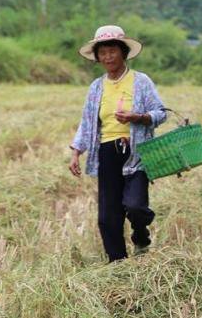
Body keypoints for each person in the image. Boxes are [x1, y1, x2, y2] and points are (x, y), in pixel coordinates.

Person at [69, 25, 167, 262]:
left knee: (135, 207)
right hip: (106, 154)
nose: (108, 57)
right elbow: (87, 122)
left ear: (123, 52)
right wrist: (75, 152)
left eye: (112, 51)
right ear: (97, 57)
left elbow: (160, 113)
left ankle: (141, 236)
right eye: (102, 53)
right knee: (107, 217)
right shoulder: (96, 87)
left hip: (137, 153)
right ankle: (118, 265)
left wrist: (139, 117)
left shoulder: (141, 81)